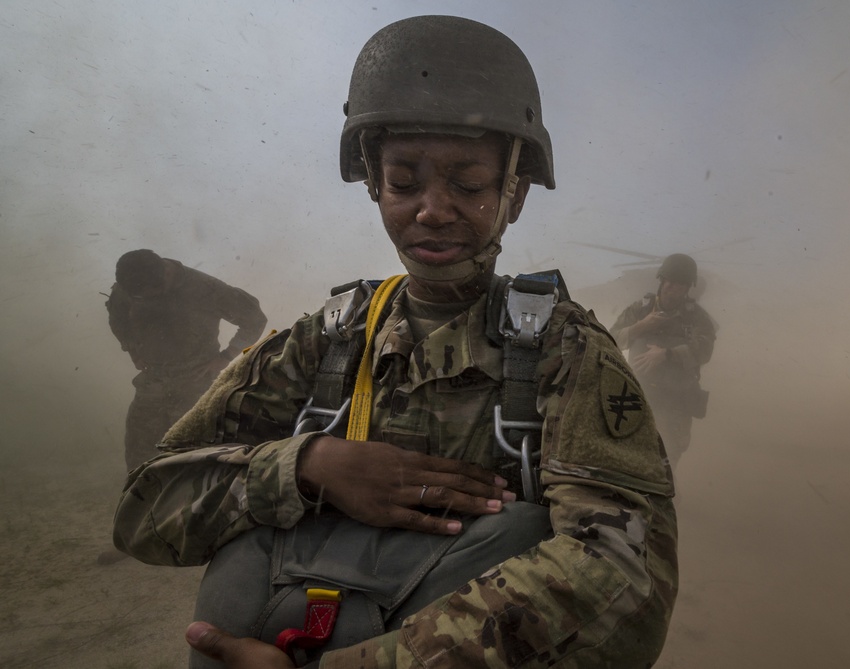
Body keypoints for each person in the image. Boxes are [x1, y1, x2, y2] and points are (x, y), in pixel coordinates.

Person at [113, 15, 677, 668]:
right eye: (405, 180)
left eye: (467, 183)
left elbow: (623, 576)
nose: (432, 208)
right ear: (374, 183)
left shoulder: (564, 351)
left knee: (523, 532)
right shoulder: (323, 340)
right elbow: (145, 510)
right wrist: (307, 467)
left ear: (514, 194)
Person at [107, 249, 268, 472]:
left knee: (194, 453)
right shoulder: (130, 287)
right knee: (139, 453)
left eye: (151, 294)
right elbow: (117, 317)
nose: (147, 300)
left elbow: (254, 319)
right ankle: (145, 501)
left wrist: (227, 356)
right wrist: (132, 349)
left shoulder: (204, 289)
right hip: (153, 381)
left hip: (196, 381)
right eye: (140, 297)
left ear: (164, 275)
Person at [610, 253, 716, 469]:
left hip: (675, 404)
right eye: (667, 280)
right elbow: (609, 339)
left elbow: (704, 350)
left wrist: (667, 354)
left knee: (665, 465)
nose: (670, 287)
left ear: (688, 288)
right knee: (625, 461)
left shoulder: (696, 317)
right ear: (661, 280)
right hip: (637, 399)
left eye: (678, 284)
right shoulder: (640, 310)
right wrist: (642, 326)